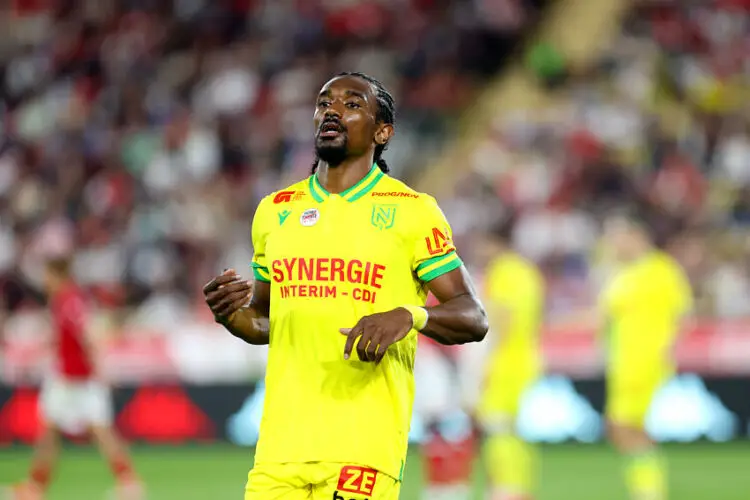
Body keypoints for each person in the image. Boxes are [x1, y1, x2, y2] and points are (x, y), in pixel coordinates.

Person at [203, 71, 488, 500]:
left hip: (363, 448)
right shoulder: (275, 212)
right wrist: (231, 315)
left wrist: (409, 315)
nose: (332, 111)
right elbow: (265, 323)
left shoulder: (412, 212)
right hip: (280, 450)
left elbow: (474, 317)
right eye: (324, 103)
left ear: (382, 131)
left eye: (352, 104)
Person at [6, 257, 143, 500]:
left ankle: (35, 487)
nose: (44, 281)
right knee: (67, 430)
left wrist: (102, 368)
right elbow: (64, 338)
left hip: (75, 378)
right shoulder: (66, 300)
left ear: (56, 275)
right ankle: (128, 482)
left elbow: (88, 335)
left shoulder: (69, 300)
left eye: (47, 275)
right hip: (70, 376)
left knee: (78, 430)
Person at [598, 210, 693, 500]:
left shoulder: (662, 270)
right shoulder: (622, 274)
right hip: (622, 363)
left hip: (645, 363)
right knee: (621, 428)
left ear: (636, 238)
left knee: (628, 427)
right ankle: (646, 487)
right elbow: (604, 316)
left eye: (619, 239)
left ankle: (649, 491)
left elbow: (683, 313)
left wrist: (667, 347)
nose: (615, 245)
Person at [475, 217, 544, 500]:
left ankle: (507, 490)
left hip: (506, 362)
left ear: (494, 243)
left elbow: (502, 319)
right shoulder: (527, 272)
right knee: (513, 430)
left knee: (498, 426)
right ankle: (521, 488)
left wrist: (485, 362)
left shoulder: (502, 273)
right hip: (527, 358)